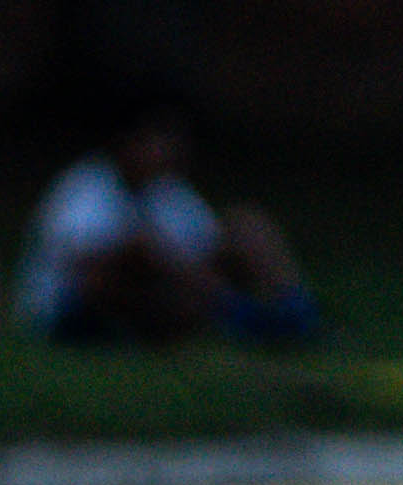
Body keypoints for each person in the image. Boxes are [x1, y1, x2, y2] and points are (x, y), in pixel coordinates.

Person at [19, 97, 318, 349]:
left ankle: (297, 312)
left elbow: (205, 246)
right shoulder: (86, 188)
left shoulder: (168, 191)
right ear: (128, 144)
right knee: (138, 251)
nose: (170, 150)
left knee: (245, 224)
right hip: (69, 316)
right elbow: (86, 266)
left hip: (157, 300)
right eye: (158, 140)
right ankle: (243, 318)